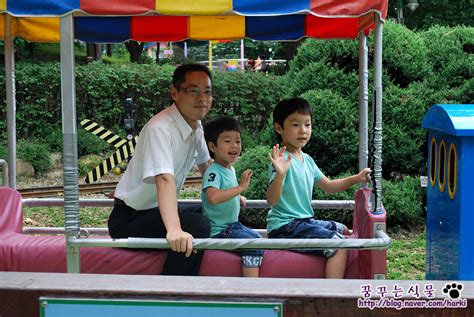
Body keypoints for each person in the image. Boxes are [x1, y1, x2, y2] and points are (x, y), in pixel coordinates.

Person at [108, 64, 213, 276]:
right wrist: (174, 229)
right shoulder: (161, 128)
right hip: (129, 219)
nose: (202, 98)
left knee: (211, 211)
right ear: (174, 93)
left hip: (154, 212)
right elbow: (164, 179)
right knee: (198, 225)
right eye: (193, 90)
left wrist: (225, 192)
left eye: (207, 91)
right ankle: (172, 295)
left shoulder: (196, 126)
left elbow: (207, 166)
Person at [266, 97, 371, 279]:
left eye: (307, 125)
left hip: (304, 221)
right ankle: (330, 294)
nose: (303, 131)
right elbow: (272, 200)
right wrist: (281, 175)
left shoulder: (307, 159)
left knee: (343, 229)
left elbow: (329, 186)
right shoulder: (281, 160)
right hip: (285, 227)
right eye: (295, 125)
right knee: (339, 245)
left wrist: (356, 178)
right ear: (279, 128)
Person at [201, 116, 264, 277]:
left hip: (232, 225)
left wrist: (238, 196)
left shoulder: (230, 169)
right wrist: (241, 188)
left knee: (259, 237)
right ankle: (251, 289)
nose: (235, 145)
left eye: (238, 141)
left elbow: (227, 191)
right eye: (227, 141)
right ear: (212, 146)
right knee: (253, 245)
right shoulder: (214, 171)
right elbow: (213, 197)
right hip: (220, 230)